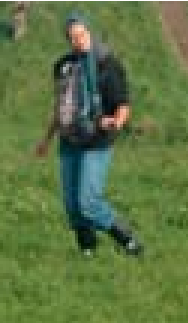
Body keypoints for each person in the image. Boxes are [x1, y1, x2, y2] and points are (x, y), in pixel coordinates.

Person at [35, 11, 143, 257]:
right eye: (73, 37)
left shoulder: (108, 64)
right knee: (73, 207)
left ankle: (127, 240)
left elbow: (122, 103)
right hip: (69, 139)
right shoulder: (63, 67)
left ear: (89, 32)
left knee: (88, 202)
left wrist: (117, 121)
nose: (79, 40)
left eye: (82, 35)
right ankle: (88, 251)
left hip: (97, 139)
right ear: (68, 40)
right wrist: (45, 140)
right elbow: (60, 107)